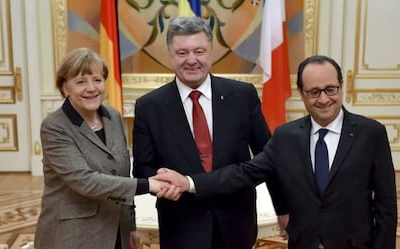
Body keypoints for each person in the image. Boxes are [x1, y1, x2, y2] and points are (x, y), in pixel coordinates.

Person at [155, 55, 398, 249]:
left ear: (341, 87)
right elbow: (244, 173)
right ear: (302, 93)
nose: (324, 99)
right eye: (314, 92)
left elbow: (386, 206)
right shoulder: (286, 137)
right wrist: (189, 182)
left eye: (331, 89)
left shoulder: (370, 133)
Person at [132, 16, 287, 249]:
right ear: (170, 55)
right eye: (182, 53)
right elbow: (143, 168)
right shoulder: (149, 106)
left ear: (211, 52)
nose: (192, 60)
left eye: (199, 51)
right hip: (181, 226)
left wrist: (283, 209)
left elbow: (268, 159)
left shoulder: (242, 96)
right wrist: (167, 185)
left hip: (237, 225)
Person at [34, 47, 167, 249]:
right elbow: (85, 181)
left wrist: (130, 225)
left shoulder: (112, 117)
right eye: (80, 82)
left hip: (116, 230)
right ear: (64, 87)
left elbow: (122, 173)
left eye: (97, 80)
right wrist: (148, 185)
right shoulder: (54, 127)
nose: (91, 88)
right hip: (73, 235)